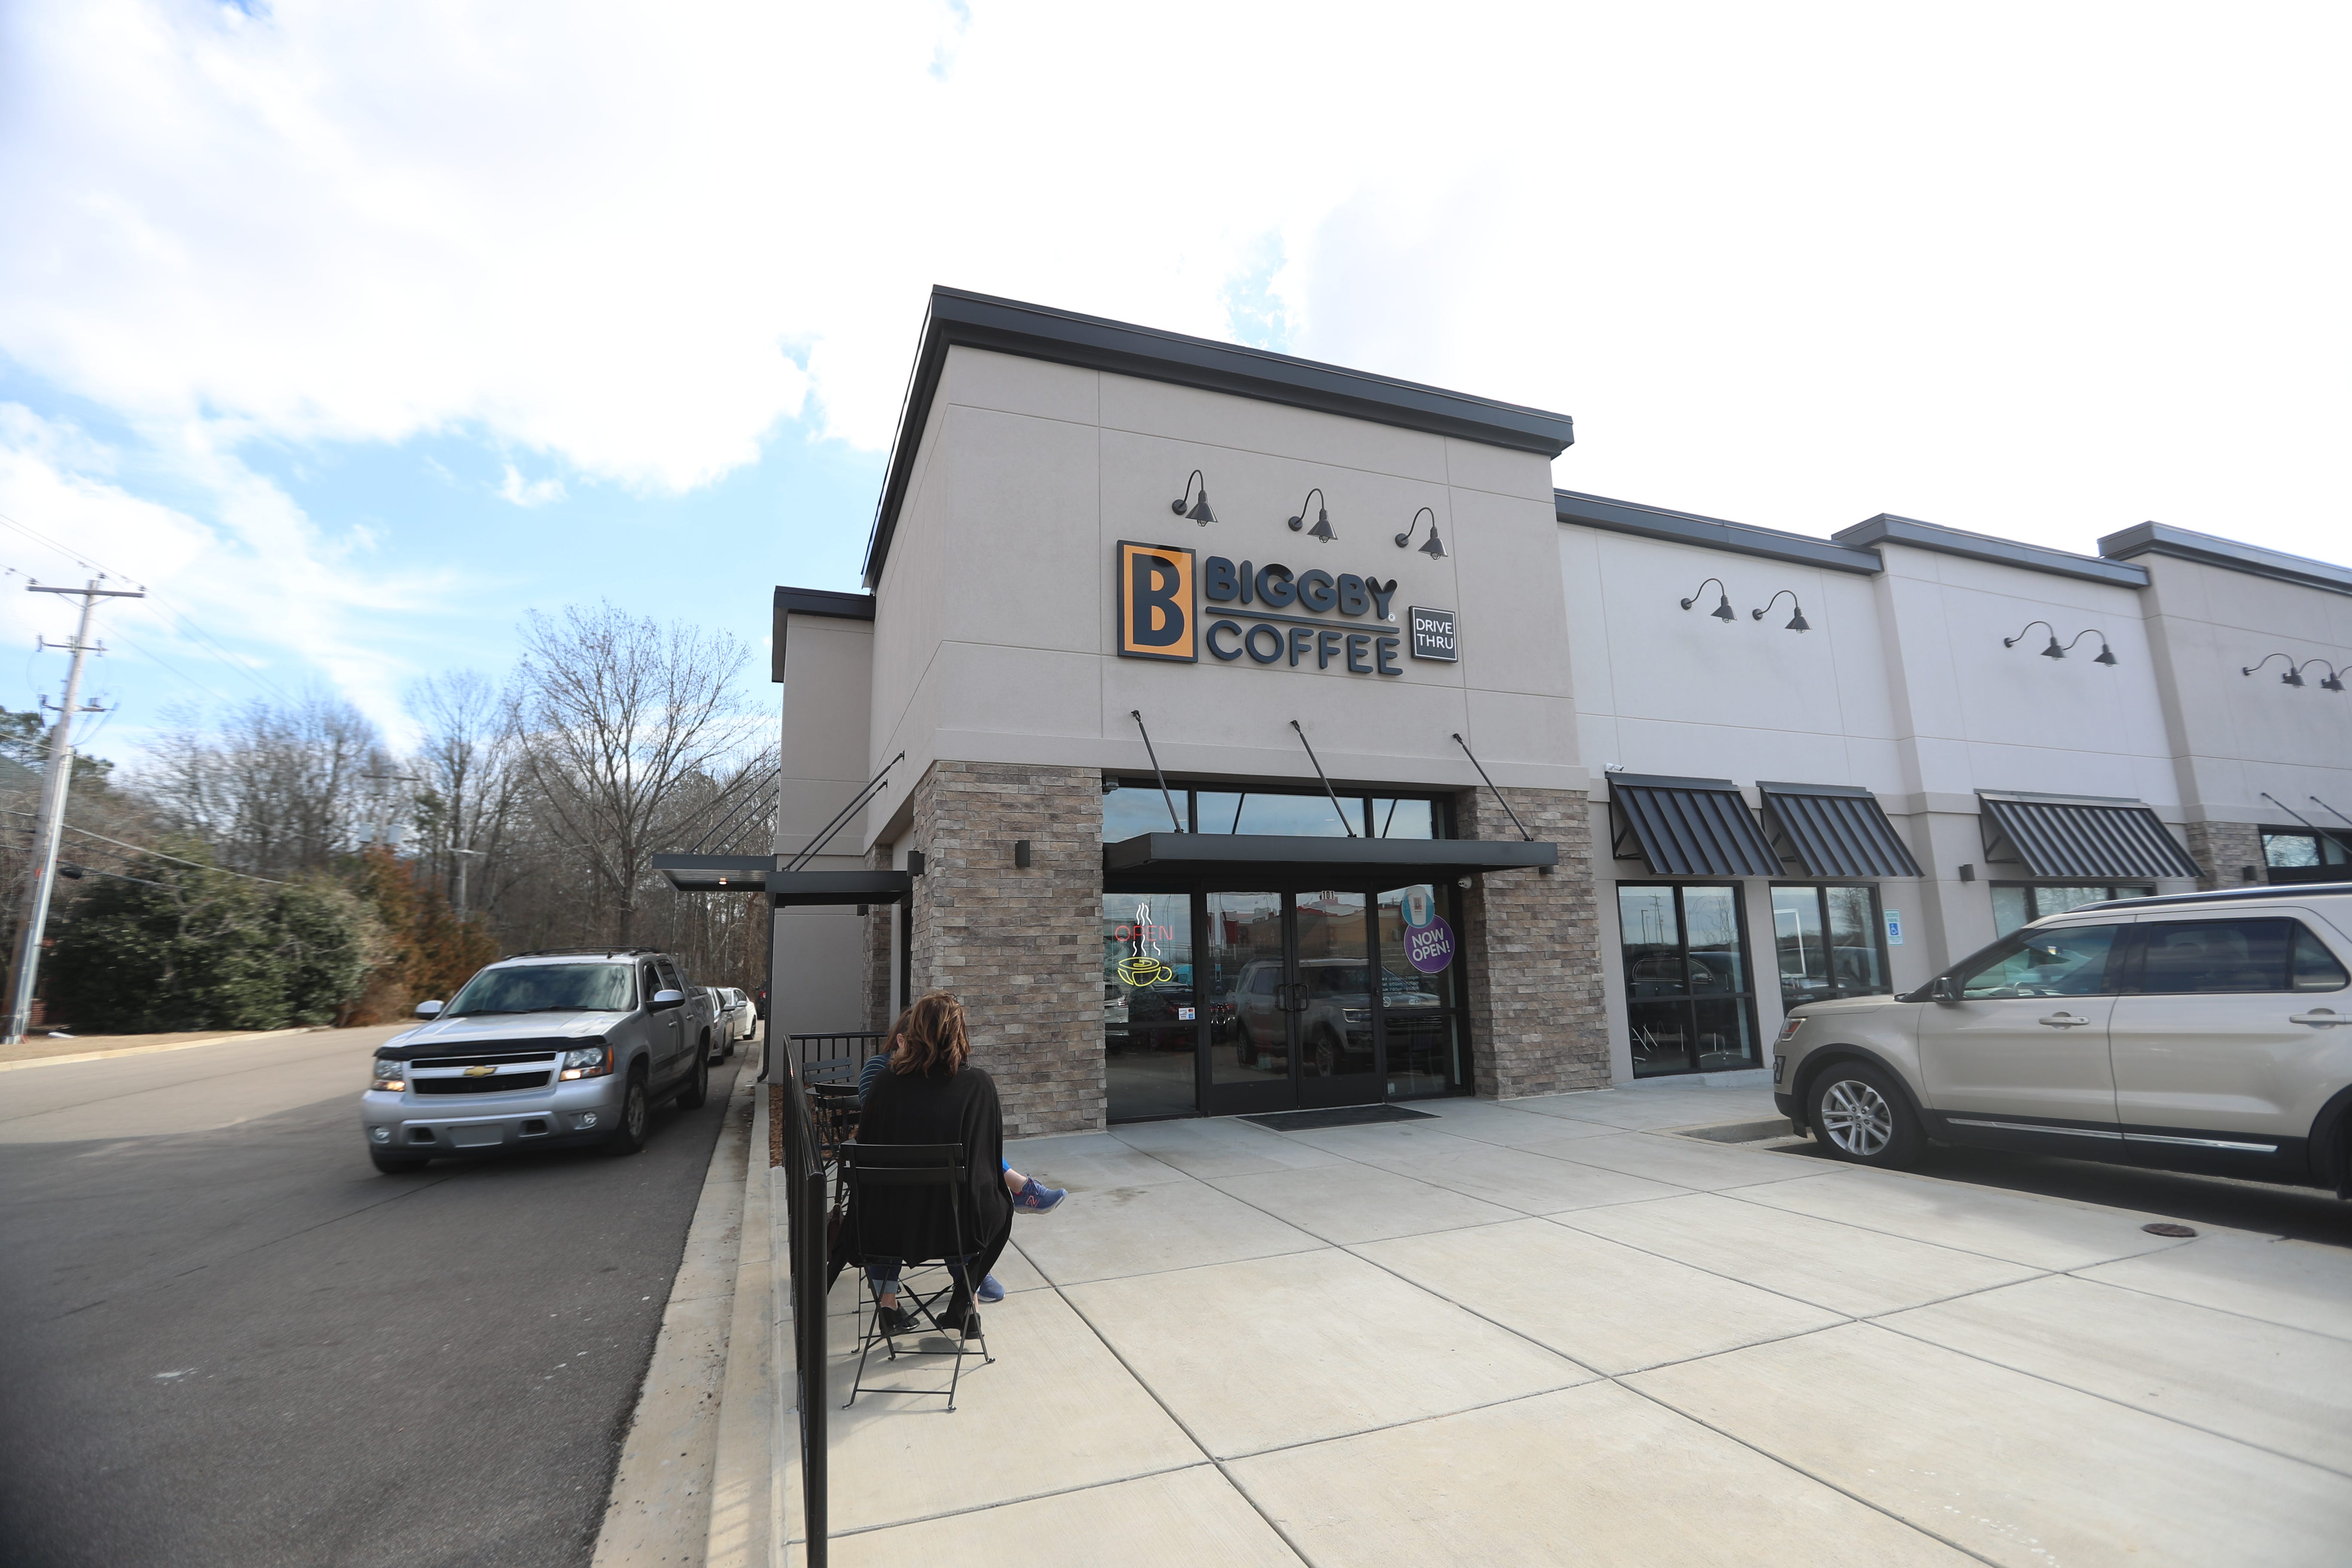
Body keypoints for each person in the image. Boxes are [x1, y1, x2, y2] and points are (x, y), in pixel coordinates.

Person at [848, 992, 1014, 1338]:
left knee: (883, 1195)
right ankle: (967, 1305)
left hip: (886, 1227)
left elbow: (868, 1152)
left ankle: (888, 1307)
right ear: (960, 1032)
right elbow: (985, 1169)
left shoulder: (884, 1083)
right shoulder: (979, 1085)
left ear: (913, 1031)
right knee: (1000, 1205)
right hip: (958, 1229)